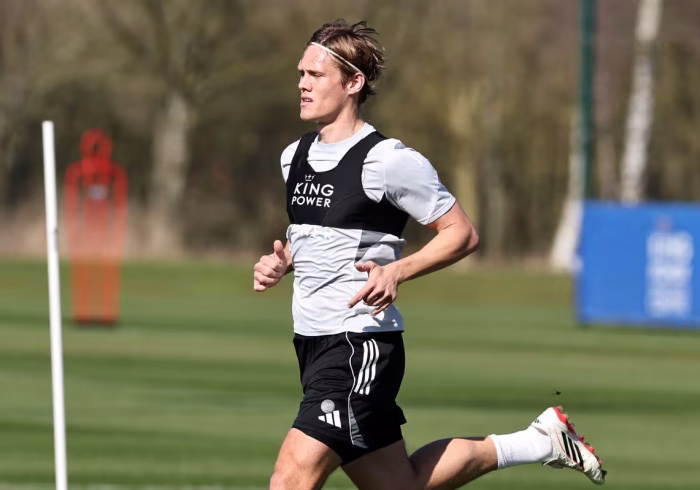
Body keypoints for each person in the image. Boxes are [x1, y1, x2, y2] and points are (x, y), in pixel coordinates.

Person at [253, 19, 606, 490]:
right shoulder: (292, 157)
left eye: (316, 75)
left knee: (290, 479)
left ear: (353, 83)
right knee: (401, 485)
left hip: (358, 344)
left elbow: (461, 233)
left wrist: (397, 271)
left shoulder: (389, 160)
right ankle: (540, 441)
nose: (302, 83)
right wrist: (284, 263)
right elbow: (325, 238)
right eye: (301, 73)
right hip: (312, 344)